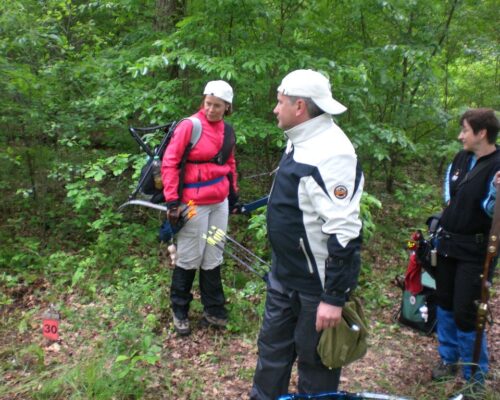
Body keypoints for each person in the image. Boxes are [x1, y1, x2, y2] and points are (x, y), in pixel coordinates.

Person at [250, 69, 364, 399]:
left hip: (316, 288)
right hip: (284, 276)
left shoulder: (333, 152)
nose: (275, 109)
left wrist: (334, 297)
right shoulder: (299, 138)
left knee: (316, 367)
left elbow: (345, 232)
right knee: (271, 354)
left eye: (280, 102)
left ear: (299, 106)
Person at [161, 80, 239, 336]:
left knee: (213, 252)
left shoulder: (227, 131)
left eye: (217, 106)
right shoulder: (190, 126)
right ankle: (180, 310)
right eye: (208, 103)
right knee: (189, 255)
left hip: (219, 204)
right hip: (192, 205)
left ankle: (214, 310)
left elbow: (230, 164)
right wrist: (172, 201)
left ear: (227, 107)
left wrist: (234, 195)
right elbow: (170, 162)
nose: (211, 109)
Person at [431, 108, 500, 391]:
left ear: (481, 133)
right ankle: (448, 358)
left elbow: (491, 212)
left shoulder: (497, 166)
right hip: (448, 244)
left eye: (465, 130)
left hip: (475, 252)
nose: (461, 136)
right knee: (444, 302)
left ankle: (475, 375)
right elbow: (451, 196)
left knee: (467, 311)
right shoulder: (461, 158)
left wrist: (495, 191)